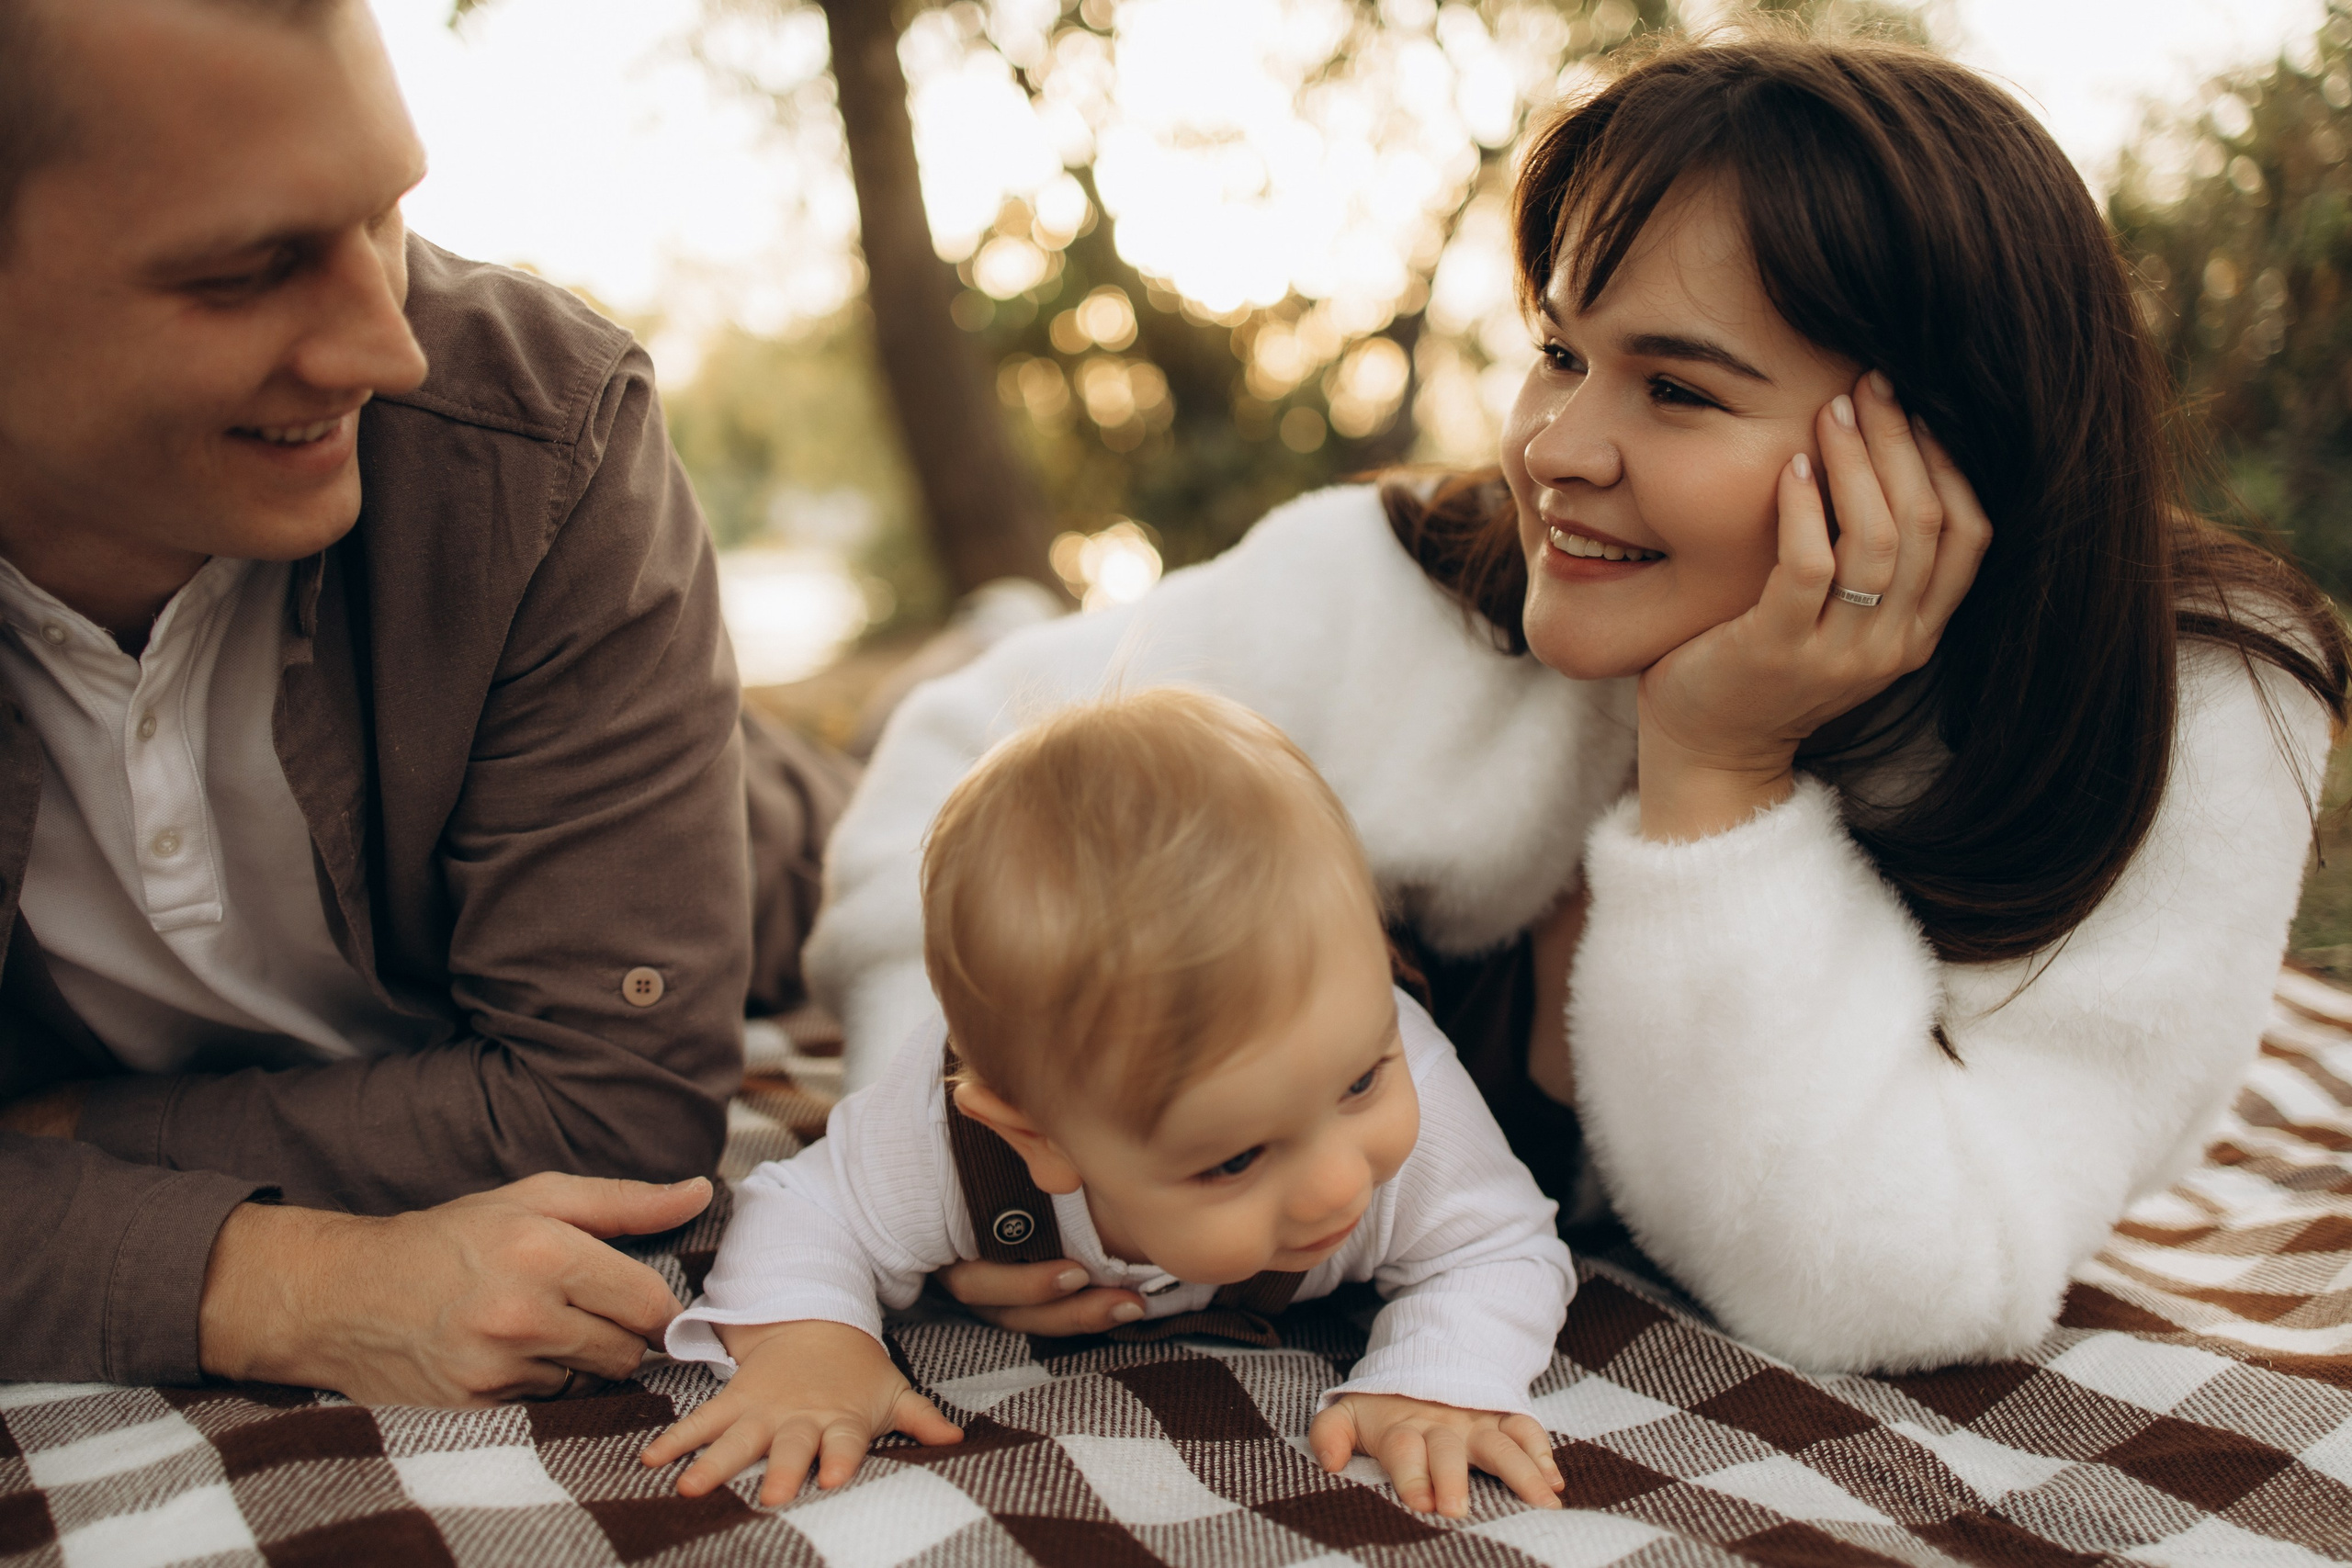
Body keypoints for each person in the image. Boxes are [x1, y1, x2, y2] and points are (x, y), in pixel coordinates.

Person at [805, 35, 2351, 1374]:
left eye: (1675, 389)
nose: (1552, 446)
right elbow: (964, 765)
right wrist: (976, 1144)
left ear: (1941, 445)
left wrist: (1719, 774)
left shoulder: (2187, 715)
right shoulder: (1410, 581)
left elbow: (1914, 1281)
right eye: (1558, 352)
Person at [0, 0, 848, 1401]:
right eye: (248, 270)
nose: (387, 351)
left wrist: (67, 1139)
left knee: (938, 811)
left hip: (765, 848)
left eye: (385, 215)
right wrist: (266, 1280)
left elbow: (616, 1108)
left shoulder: (536, 431)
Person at [646, 690, 1576, 1517]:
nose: (1340, 1183)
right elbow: (807, 1209)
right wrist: (810, 1347)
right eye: (1237, 1158)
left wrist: (1441, 1376)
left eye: (1362, 1083)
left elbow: (1498, 1243)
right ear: (1035, 1138)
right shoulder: (942, 1139)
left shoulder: (1383, 1049)